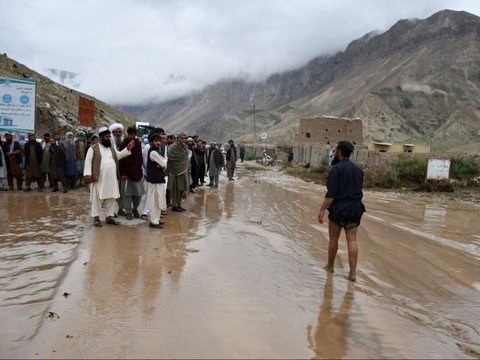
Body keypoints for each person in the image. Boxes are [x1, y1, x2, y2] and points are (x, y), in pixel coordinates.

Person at [318, 141, 365, 282]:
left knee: (334, 239)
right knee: (352, 240)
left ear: (339, 152)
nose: (334, 152)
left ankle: (330, 267)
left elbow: (331, 194)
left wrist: (322, 210)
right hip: (355, 209)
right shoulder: (358, 170)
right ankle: (352, 274)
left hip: (339, 209)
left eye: (336, 150)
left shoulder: (336, 169)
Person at [83, 126, 134, 227]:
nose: (108, 138)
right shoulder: (93, 148)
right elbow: (88, 162)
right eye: (106, 137)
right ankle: (96, 218)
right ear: (101, 137)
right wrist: (87, 174)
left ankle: (109, 217)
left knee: (111, 198)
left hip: (111, 179)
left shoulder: (111, 148)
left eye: (109, 137)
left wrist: (127, 149)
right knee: (97, 199)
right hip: (98, 179)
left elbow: (119, 155)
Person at [119, 127, 144, 220]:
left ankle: (135, 209)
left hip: (137, 172)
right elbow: (121, 160)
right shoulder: (123, 144)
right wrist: (123, 173)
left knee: (138, 194)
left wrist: (141, 170)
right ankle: (128, 212)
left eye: (133, 134)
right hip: (127, 173)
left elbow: (140, 158)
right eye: (129, 134)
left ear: (135, 134)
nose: (131, 136)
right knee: (127, 194)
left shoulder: (138, 144)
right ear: (127, 134)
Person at [145, 133, 167, 229]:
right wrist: (162, 164)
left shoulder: (156, 151)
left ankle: (156, 220)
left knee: (158, 200)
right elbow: (164, 162)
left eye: (159, 141)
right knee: (154, 201)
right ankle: (153, 222)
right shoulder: (153, 152)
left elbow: (164, 163)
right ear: (151, 142)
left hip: (158, 179)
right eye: (156, 141)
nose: (158, 143)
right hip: (154, 180)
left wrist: (163, 165)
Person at [166, 132, 189, 212]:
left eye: (184, 138)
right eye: (181, 138)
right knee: (176, 189)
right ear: (178, 138)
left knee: (182, 189)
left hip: (183, 170)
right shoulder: (174, 147)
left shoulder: (184, 147)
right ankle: (174, 205)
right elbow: (171, 157)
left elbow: (185, 158)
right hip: (175, 171)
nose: (183, 140)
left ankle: (179, 204)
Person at [109, 123, 125, 215]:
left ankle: (120, 209)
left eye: (120, 132)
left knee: (121, 190)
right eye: (116, 132)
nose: (118, 133)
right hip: (112, 171)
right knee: (112, 191)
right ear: (113, 132)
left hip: (121, 171)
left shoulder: (123, 142)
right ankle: (112, 211)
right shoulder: (109, 143)